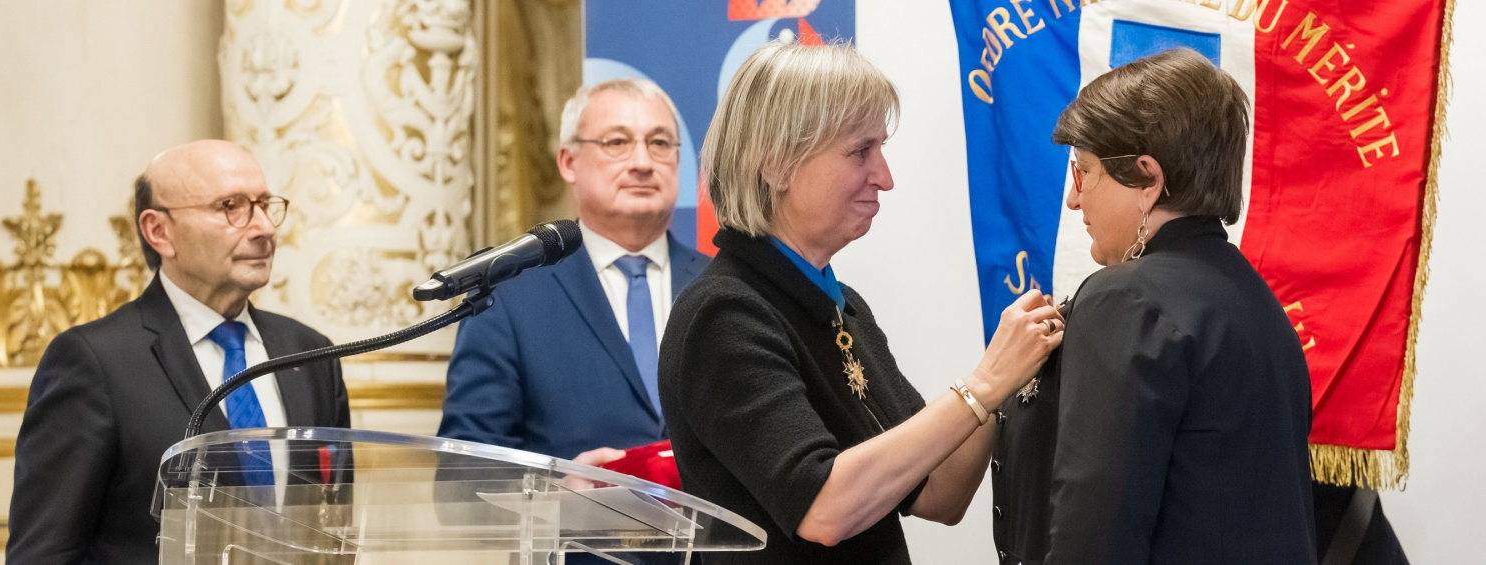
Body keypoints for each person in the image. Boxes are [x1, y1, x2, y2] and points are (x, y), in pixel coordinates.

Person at [658, 41, 1062, 564]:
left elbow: (940, 490)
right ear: (777, 164)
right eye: (860, 151)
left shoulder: (842, 307)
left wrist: (1009, 376)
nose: (885, 178)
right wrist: (984, 384)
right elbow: (824, 509)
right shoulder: (725, 315)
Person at [990, 48, 1316, 564]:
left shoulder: (1125, 300)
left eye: (1084, 172)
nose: (1073, 201)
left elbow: (1093, 538)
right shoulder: (1256, 304)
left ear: (1147, 179)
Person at [8, 140, 351, 565]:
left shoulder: (309, 353)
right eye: (231, 206)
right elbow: (44, 552)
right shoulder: (95, 361)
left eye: (265, 204)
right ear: (159, 231)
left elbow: (334, 522)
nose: (264, 227)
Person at [438, 79, 708, 464]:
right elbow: (463, 475)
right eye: (617, 143)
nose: (643, 162)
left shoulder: (723, 288)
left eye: (660, 144)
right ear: (568, 162)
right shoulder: (507, 298)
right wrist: (558, 499)